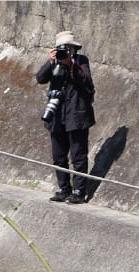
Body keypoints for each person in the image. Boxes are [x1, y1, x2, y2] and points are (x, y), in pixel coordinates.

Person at [35, 31, 94, 204]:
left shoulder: (81, 61)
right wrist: (50, 62)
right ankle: (63, 188)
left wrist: (70, 64)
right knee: (59, 156)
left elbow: (87, 81)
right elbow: (40, 78)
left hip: (76, 115)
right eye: (62, 48)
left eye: (68, 48)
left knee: (78, 156)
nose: (65, 52)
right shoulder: (54, 62)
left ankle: (79, 191)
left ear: (74, 49)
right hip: (57, 115)